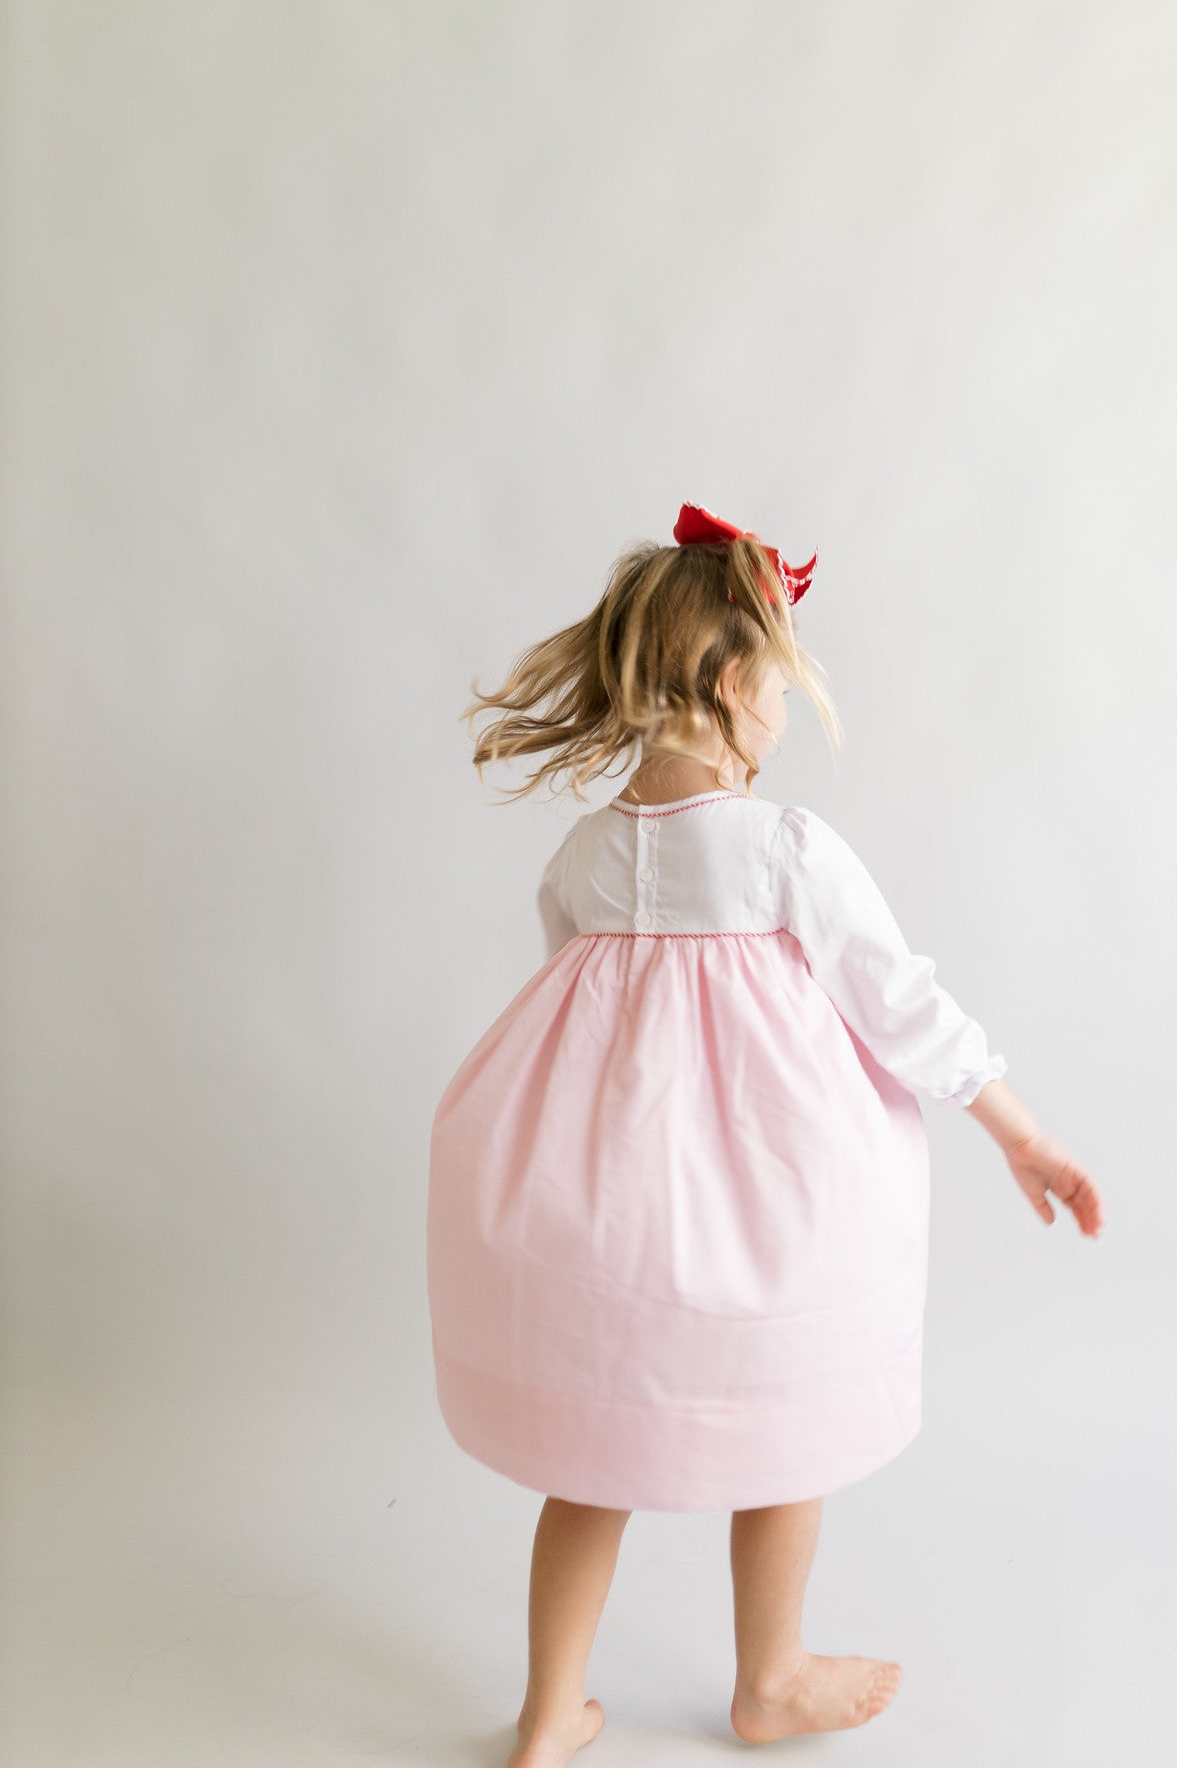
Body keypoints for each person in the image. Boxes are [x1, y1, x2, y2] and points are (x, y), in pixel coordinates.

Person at [427, 500, 1105, 1766]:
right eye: (781, 683)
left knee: (589, 1464)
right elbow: (903, 1004)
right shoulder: (786, 846)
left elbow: (577, 1025)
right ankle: (772, 1676)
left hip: (603, 1222)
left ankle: (545, 1713)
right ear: (733, 679)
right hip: (768, 1208)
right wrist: (1019, 1131)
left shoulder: (581, 856)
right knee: (782, 1432)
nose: (785, 711)